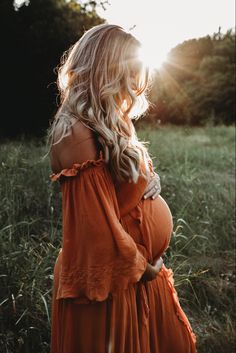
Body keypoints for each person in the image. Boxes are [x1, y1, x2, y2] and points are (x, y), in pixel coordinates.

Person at [47, 23, 197, 353]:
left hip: (136, 277)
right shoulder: (74, 130)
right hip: (112, 285)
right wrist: (145, 269)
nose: (132, 90)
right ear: (105, 69)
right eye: (128, 77)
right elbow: (94, 229)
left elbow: (121, 189)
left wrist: (149, 176)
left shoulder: (108, 117)